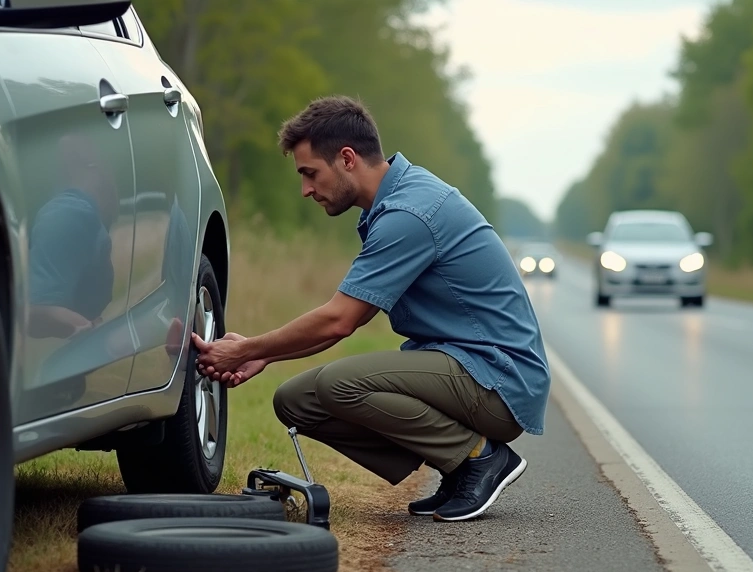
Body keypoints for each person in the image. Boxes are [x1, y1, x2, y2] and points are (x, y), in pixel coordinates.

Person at [191, 96, 550, 522]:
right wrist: (263, 353)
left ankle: (480, 458)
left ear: (346, 159)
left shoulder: (409, 214)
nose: (305, 190)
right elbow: (345, 317)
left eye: (310, 173)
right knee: (295, 401)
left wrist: (248, 349)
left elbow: (340, 320)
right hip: (466, 368)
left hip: (498, 379)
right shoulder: (398, 199)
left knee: (340, 385)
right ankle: (455, 467)